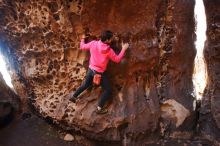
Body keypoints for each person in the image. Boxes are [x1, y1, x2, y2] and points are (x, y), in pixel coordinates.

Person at [69, 30, 129, 114]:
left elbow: (82, 47)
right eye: (111, 39)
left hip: (90, 70)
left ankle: (74, 96)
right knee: (108, 90)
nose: (112, 40)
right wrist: (123, 49)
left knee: (86, 84)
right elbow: (117, 59)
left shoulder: (93, 43)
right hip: (99, 73)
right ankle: (99, 108)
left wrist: (82, 39)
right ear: (107, 40)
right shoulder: (108, 51)